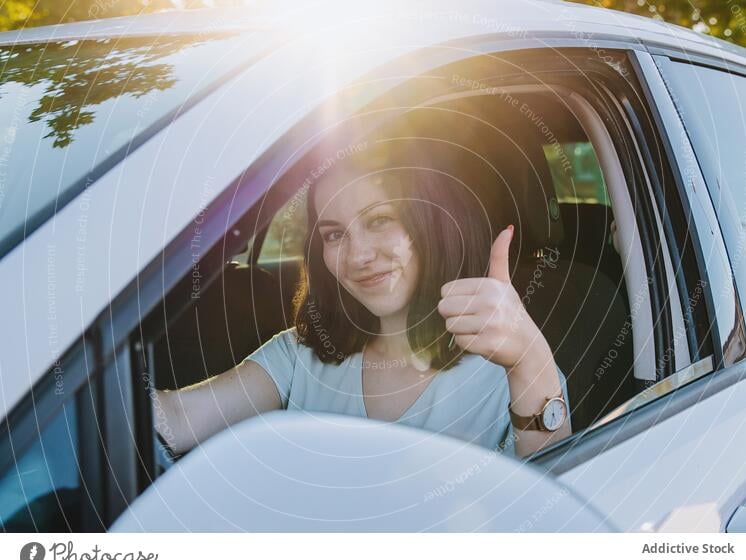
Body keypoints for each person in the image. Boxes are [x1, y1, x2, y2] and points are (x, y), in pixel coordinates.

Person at [152, 148, 571, 460]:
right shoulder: (299, 356)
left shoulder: (511, 369)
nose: (357, 256)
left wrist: (530, 361)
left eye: (379, 221)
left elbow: (554, 519)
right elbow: (177, 418)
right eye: (335, 234)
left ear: (432, 224)